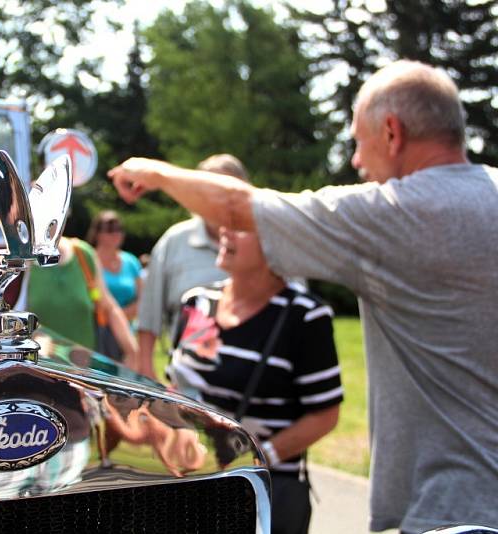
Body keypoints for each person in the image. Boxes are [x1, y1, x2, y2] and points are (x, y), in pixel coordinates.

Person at [108, 60, 498, 533]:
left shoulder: (396, 213)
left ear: (393, 133)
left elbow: (237, 204)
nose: (356, 161)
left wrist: (154, 172)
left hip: (454, 509)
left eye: (358, 140)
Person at [169, 225, 341, 534]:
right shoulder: (197, 302)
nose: (225, 231)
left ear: (278, 245)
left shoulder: (305, 316)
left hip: (256, 496)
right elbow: (175, 385)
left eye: (243, 227)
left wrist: (256, 460)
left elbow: (325, 415)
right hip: (184, 484)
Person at [134, 153, 249, 379]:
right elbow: (149, 315)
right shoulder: (174, 242)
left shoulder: (267, 242)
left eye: (227, 190)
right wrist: (146, 372)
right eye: (208, 190)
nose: (218, 199)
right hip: (188, 388)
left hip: (256, 387)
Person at [25, 236, 138, 362]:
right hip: (39, 370)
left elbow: (109, 306)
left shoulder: (83, 253)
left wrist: (132, 352)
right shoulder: (23, 258)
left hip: (83, 372)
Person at [86, 211, 143, 323]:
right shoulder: (87, 260)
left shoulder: (131, 261)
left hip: (127, 328)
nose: (116, 233)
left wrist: (118, 318)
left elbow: (142, 299)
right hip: (95, 327)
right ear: (97, 233)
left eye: (119, 229)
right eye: (110, 229)